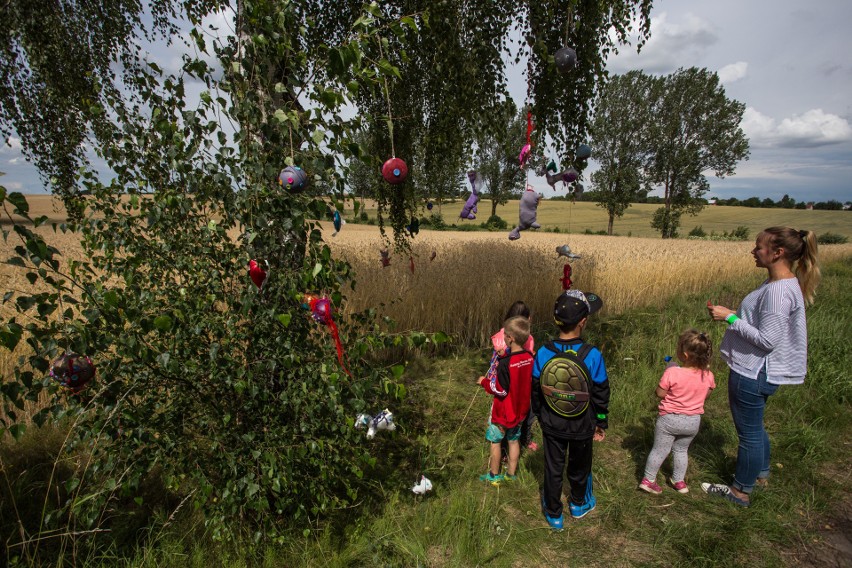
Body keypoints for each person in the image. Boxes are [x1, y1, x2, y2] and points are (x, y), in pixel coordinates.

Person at [703, 227, 820, 507]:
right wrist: (734, 315)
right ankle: (760, 475)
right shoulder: (782, 283)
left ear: (777, 253)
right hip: (761, 370)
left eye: (759, 247)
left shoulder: (778, 291)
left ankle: (740, 491)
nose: (753, 251)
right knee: (755, 427)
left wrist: (730, 319)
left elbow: (767, 340)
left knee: (749, 434)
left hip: (753, 371)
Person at [532, 290, 609, 530]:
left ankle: (554, 514)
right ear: (583, 322)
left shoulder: (543, 352)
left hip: (552, 423)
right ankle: (578, 504)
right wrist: (601, 421)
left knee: (553, 467)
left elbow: (536, 388)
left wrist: (540, 415)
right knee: (580, 465)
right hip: (582, 425)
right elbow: (601, 393)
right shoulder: (593, 355)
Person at [639, 329, 715, 495]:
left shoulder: (672, 372)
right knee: (681, 450)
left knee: (660, 450)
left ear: (685, 355)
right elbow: (705, 395)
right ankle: (678, 481)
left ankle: (648, 480)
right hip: (692, 421)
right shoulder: (708, 375)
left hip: (669, 420)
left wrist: (671, 379)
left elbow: (659, 393)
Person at [478, 316, 535, 486]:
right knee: (513, 440)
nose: (503, 338)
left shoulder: (505, 363)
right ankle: (511, 474)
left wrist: (484, 382)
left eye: (504, 335)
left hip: (503, 413)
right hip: (520, 411)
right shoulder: (529, 357)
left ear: (510, 338)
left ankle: (494, 475)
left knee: (495, 442)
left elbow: (500, 390)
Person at [483, 301, 538, 459]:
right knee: (522, 415)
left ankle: (502, 450)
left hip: (502, 381)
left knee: (501, 417)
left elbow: (498, 359)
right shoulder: (528, 337)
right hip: (520, 384)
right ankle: (520, 442)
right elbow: (526, 359)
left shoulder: (502, 333)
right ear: (528, 319)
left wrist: (486, 382)